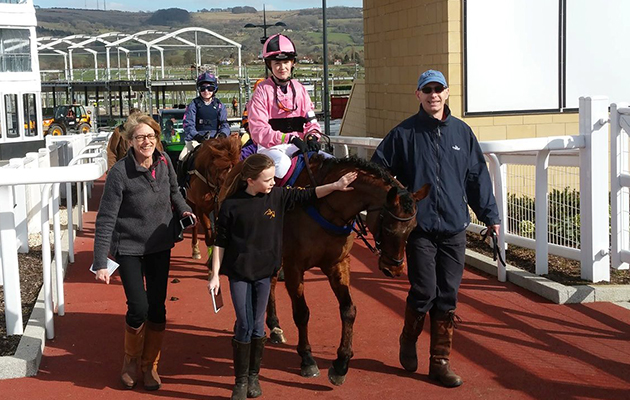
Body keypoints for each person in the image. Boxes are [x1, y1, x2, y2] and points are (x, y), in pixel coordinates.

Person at [370, 69, 501, 388]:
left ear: (446, 93)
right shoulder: (404, 134)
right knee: (424, 291)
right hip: (421, 230)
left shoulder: (462, 133)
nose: (433, 95)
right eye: (426, 90)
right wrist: (397, 199)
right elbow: (378, 170)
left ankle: (439, 362)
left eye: (438, 89)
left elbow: (476, 177)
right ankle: (408, 337)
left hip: (454, 229)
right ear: (418, 95)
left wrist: (491, 216)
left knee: (448, 296)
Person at [208, 154, 357, 400]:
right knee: (243, 324)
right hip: (239, 273)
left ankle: (253, 378)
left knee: (257, 326)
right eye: (267, 179)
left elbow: (309, 194)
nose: (273, 183)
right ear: (250, 180)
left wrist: (336, 186)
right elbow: (220, 242)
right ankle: (240, 381)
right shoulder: (231, 205)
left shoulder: (278, 196)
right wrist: (214, 275)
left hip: (265, 272)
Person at [93, 112, 197, 391]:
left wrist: (185, 210)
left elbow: (175, 193)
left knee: (158, 307)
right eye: (140, 137)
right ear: (129, 141)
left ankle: (150, 365)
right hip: (128, 247)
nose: (146, 141)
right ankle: (130, 360)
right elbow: (105, 218)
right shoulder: (119, 174)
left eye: (151, 136)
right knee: (138, 307)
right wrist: (100, 261)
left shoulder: (164, 163)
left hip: (159, 245)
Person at [247, 34, 323, 180]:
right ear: (270, 65)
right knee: (282, 165)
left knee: (327, 162)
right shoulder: (262, 91)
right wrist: (289, 138)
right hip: (270, 148)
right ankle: (277, 200)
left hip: (299, 144)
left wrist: (313, 135)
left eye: (286, 62)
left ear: (292, 63)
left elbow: (311, 120)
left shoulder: (300, 89)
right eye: (277, 63)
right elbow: (258, 131)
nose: (282, 67)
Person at [180, 72, 230, 161]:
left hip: (216, 139)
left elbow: (224, 124)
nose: (206, 91)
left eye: (210, 88)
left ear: (215, 89)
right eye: (203, 88)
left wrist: (222, 134)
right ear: (199, 90)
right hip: (196, 140)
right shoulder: (193, 104)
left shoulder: (219, 105)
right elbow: (188, 124)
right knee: (182, 157)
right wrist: (197, 136)